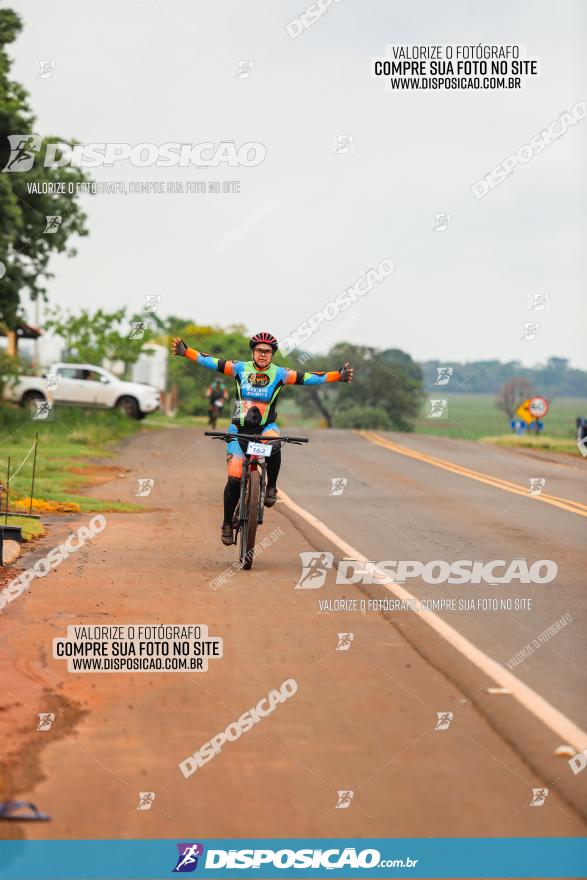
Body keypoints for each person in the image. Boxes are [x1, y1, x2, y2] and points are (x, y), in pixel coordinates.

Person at [171, 331, 353, 545]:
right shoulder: (239, 368)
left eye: (267, 351)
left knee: (275, 444)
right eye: (259, 350)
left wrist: (337, 375)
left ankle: (271, 487)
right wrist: (186, 352)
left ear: (273, 354)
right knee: (235, 477)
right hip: (238, 429)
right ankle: (227, 523)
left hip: (266, 427)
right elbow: (211, 361)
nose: (263, 354)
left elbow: (310, 377)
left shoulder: (281, 374)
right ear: (253, 352)